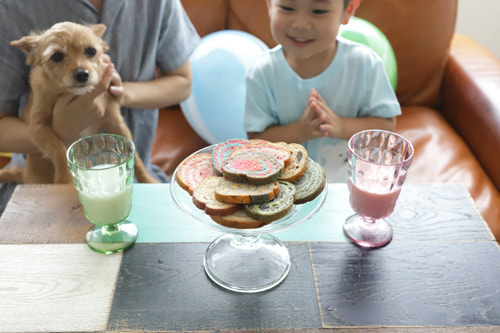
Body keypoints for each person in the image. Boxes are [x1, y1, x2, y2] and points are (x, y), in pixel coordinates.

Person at [0, 0, 200, 214]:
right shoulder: (12, 7)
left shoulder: (159, 4)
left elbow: (183, 83)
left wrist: (118, 93)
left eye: (90, 52)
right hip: (41, 186)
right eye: (57, 57)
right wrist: (62, 131)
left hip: (128, 180)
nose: (79, 68)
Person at [244, 0, 401, 181]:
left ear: (347, 11)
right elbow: (256, 142)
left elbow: (386, 128)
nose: (300, 24)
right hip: (288, 192)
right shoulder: (261, 73)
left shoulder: (365, 65)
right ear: (270, 6)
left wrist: (342, 127)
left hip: (347, 188)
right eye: (287, 8)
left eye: (318, 11)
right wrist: (299, 132)